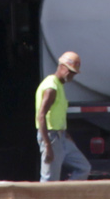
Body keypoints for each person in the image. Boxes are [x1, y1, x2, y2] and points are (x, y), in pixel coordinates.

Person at [36, 52, 91, 182]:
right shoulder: (51, 87)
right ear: (61, 66)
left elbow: (57, 114)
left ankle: (66, 196)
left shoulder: (58, 85)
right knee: (49, 179)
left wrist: (66, 135)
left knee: (83, 167)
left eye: (74, 73)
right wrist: (48, 146)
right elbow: (41, 116)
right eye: (70, 71)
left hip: (61, 137)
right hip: (51, 138)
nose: (72, 75)